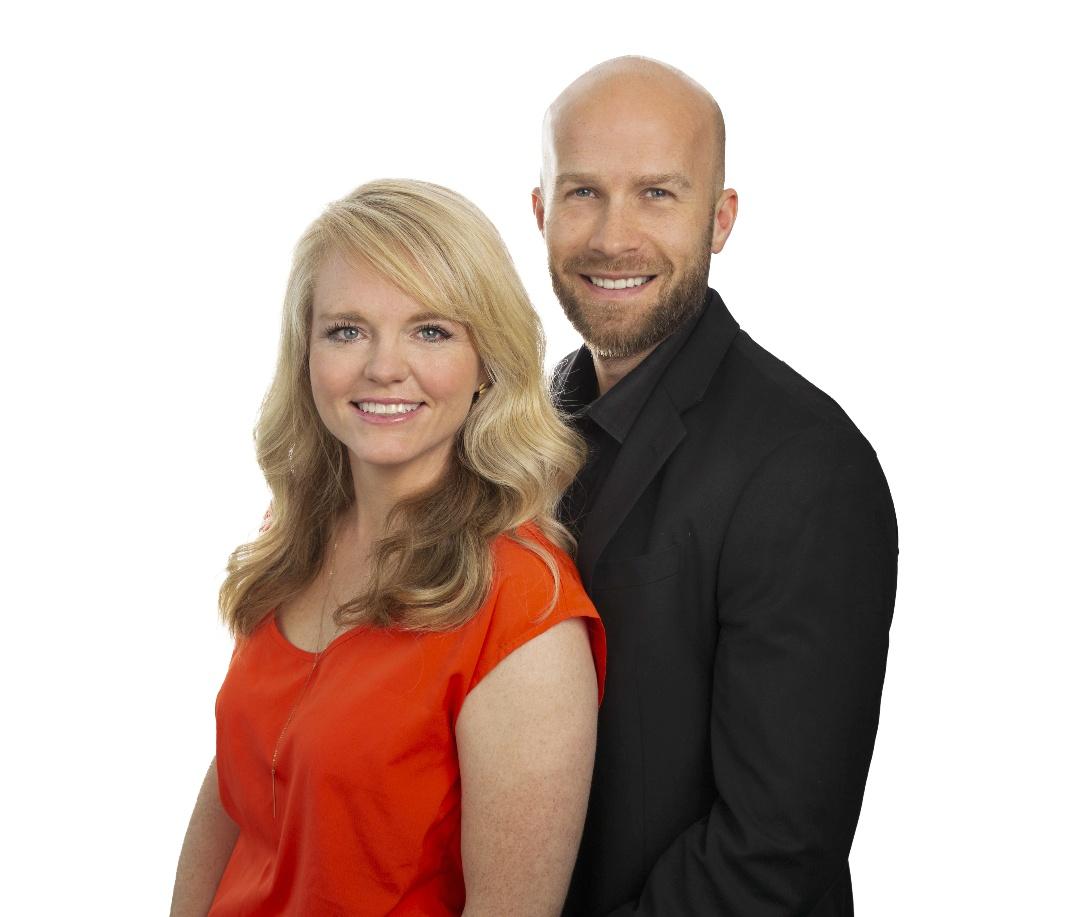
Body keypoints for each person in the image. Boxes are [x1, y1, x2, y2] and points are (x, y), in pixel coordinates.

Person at [170, 179, 606, 916]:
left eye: (430, 331)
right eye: (347, 330)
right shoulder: (293, 535)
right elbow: (235, 797)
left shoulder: (525, 608)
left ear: (487, 361)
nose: (383, 367)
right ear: (306, 352)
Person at [531, 57, 898, 915]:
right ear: (541, 211)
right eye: (583, 193)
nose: (613, 237)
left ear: (721, 218)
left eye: (657, 193)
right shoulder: (524, 428)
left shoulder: (809, 467)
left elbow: (772, 854)